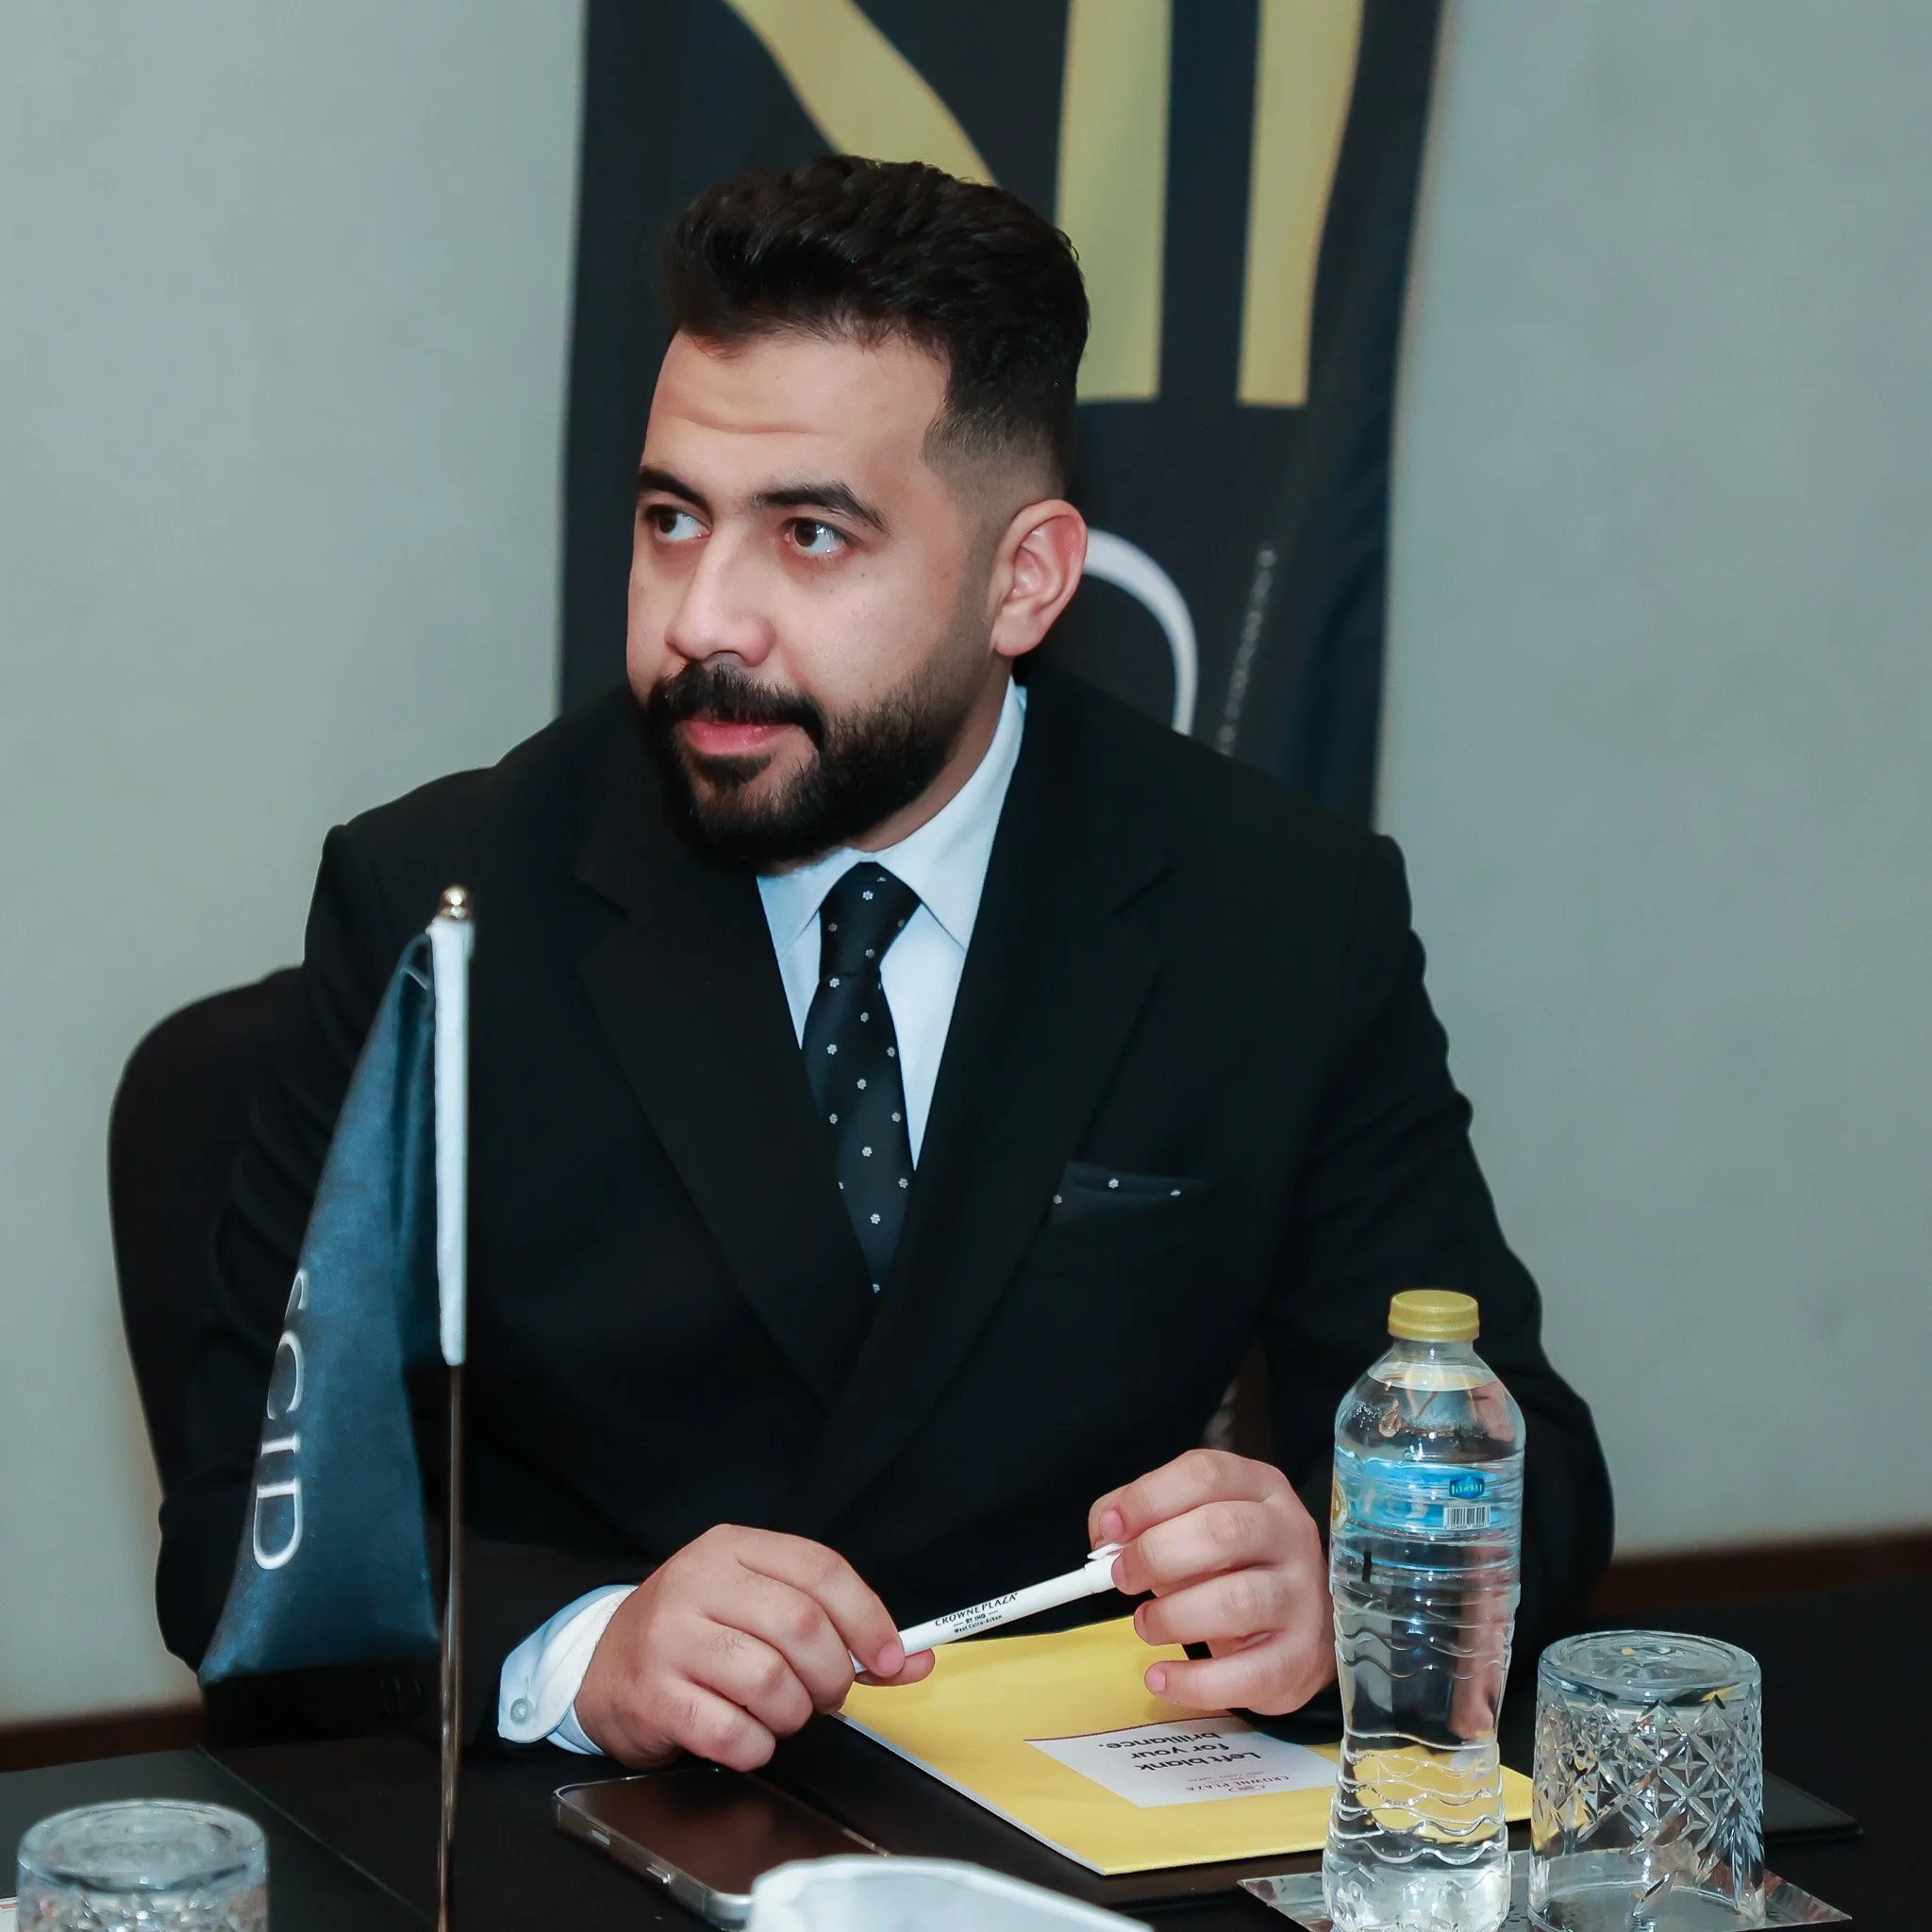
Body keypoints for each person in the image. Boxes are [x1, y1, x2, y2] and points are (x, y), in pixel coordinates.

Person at [158, 157, 1612, 1771]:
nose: (706, 619)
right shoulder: (440, 904)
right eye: (669, 520)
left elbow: (1528, 1462)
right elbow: (240, 1532)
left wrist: (1356, 1587)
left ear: (1026, 580)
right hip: (582, 1853)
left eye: (813, 537)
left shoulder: (1273, 909)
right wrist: (584, 1652)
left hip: (1080, 1844)